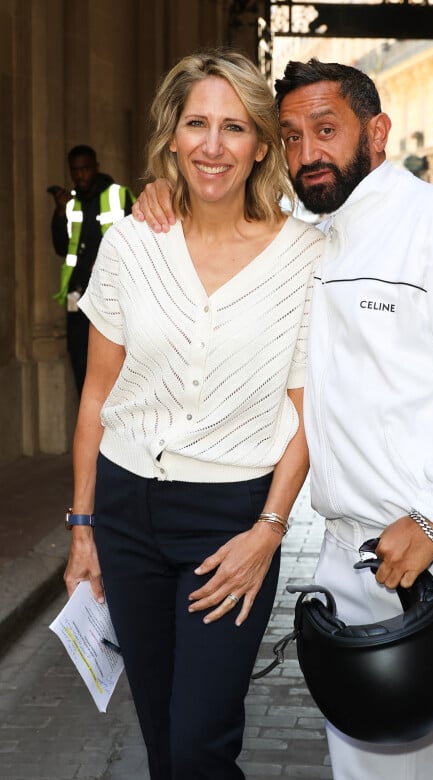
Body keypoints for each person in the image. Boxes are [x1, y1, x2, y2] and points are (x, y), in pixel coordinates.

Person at [133, 58, 433, 780]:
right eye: (289, 137)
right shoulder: (308, 238)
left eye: (326, 130)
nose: (306, 154)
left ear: (376, 132)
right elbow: (226, 222)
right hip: (353, 554)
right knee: (367, 768)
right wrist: (166, 194)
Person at [63, 50, 323, 780]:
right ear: (171, 136)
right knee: (162, 741)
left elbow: (309, 417)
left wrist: (268, 532)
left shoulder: (305, 257)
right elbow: (96, 397)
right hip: (124, 512)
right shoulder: (129, 245)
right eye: (197, 123)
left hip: (230, 519)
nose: (214, 145)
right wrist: (82, 527)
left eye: (234, 127)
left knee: (200, 744)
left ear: (261, 144)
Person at [49, 145, 135, 395]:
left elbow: (137, 239)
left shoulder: (119, 196)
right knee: (80, 361)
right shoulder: (70, 204)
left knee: (115, 362)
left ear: (96, 167)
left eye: (85, 169)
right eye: (75, 171)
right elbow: (61, 247)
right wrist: (59, 213)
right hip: (77, 297)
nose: (80, 176)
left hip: (113, 294)